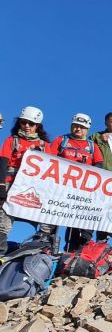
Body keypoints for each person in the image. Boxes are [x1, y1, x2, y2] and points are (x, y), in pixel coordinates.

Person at [0, 106, 56, 254]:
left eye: (31, 124)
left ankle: (40, 247)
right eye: (23, 122)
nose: (26, 126)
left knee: (46, 213)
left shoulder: (44, 145)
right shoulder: (12, 140)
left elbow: (52, 169)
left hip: (34, 185)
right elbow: (3, 162)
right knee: (4, 214)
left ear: (37, 126)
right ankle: (0, 249)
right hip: (11, 181)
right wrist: (0, 186)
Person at [52, 113, 105, 251]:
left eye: (82, 127)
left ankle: (74, 248)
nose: (78, 129)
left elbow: (99, 164)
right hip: (60, 185)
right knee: (53, 213)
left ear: (87, 129)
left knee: (76, 217)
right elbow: (48, 158)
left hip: (81, 188)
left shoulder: (91, 146)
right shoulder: (61, 140)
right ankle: (48, 243)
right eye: (75, 126)